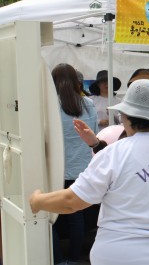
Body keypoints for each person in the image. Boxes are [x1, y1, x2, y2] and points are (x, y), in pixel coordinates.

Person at [30, 79, 149, 265]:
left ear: (128, 116)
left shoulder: (115, 153)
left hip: (121, 254)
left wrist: (38, 200)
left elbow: (72, 202)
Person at [51, 63, 98, 265]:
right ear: (76, 81)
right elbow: (94, 134)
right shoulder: (88, 104)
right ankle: (74, 257)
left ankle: (59, 259)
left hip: (56, 169)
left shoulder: (51, 106)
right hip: (84, 167)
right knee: (76, 215)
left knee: (49, 217)